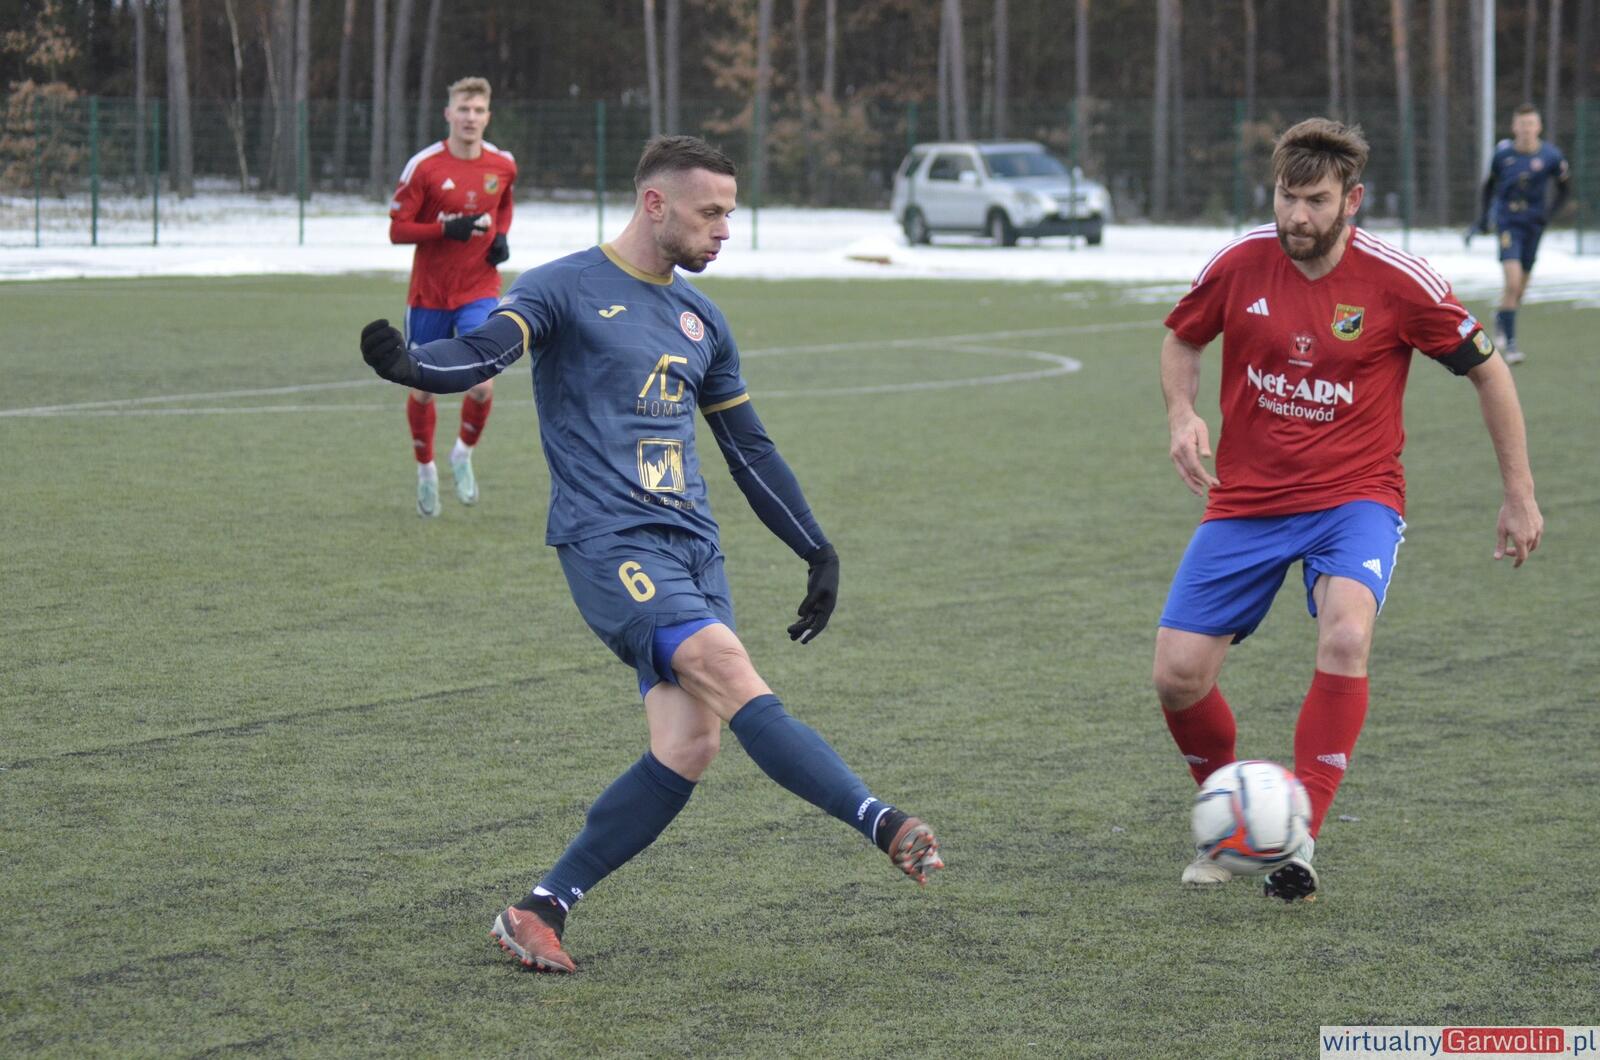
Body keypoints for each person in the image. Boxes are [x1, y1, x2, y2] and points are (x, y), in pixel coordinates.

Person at [357, 135, 943, 973]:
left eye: (730, 214)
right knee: (727, 669)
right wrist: (416, 364)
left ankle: (538, 909)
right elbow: (489, 347)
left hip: (695, 549)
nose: (724, 230)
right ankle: (880, 820)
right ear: (655, 203)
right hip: (609, 541)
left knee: (689, 746)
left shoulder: (703, 320)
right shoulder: (562, 287)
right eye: (711, 213)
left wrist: (816, 548)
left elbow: (748, 448)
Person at [1154, 118, 1543, 903]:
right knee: (1177, 677)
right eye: (1286, 197)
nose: (1297, 216)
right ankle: (1240, 818)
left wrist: (1519, 493)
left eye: (1316, 201)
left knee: (1345, 634)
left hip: (1353, 498)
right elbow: (1183, 339)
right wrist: (1182, 413)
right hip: (1249, 499)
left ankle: (1297, 841)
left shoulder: (1399, 281)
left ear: (1352, 201)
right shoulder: (1240, 262)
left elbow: (1489, 372)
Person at [388, 75, 517, 516]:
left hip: (479, 289)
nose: (470, 118)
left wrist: (501, 236)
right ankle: (426, 470)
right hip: (429, 295)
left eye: (478, 110)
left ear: (488, 116)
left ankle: (462, 454)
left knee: (482, 383)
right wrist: (445, 229)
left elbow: (504, 204)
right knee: (422, 388)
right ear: (448, 113)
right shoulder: (424, 167)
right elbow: (397, 230)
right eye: (463, 109)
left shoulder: (503, 165)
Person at [1468, 103, 1571, 366]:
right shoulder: (1502, 155)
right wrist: (1484, 218)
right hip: (1508, 223)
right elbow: (1488, 187)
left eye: (1531, 124)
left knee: (1520, 288)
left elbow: (1564, 189)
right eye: (1522, 124)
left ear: (1539, 127)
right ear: (1514, 127)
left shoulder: (1551, 156)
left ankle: (1502, 316)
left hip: (1534, 225)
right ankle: (1511, 346)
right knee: (1512, 282)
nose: (1526, 129)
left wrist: (1548, 214)